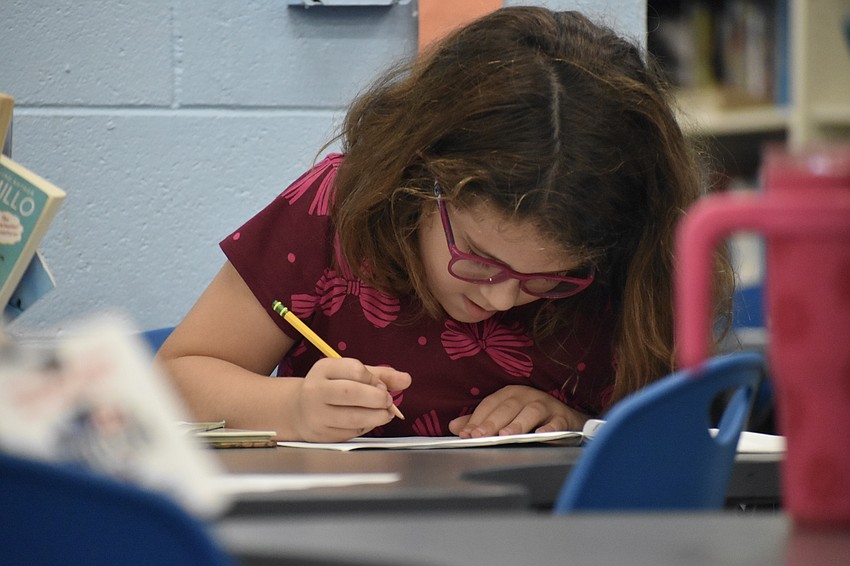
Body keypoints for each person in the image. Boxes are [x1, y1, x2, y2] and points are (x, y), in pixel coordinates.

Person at [157, 6, 732, 442]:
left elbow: (668, 441)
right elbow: (177, 377)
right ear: (419, 179)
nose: (504, 298)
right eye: (479, 260)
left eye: (550, 280)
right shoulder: (339, 210)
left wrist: (579, 426)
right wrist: (293, 410)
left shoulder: (632, 260)